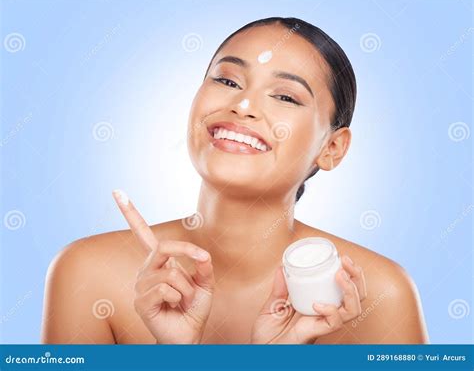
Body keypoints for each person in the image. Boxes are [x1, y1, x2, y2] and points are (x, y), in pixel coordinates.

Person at [41, 17, 429, 344]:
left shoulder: (380, 296)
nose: (242, 105)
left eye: (286, 97)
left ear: (332, 148)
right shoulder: (89, 274)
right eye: (227, 81)